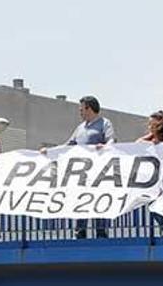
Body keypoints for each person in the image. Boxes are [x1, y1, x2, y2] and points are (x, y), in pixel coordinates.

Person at [42, 96, 115, 239]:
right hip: (82, 172)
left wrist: (105, 146)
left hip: (99, 171)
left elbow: (112, 140)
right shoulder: (80, 128)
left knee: (98, 199)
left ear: (89, 108)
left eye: (82, 109)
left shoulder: (104, 123)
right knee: (82, 199)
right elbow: (68, 145)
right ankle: (80, 231)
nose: (80, 112)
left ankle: (101, 231)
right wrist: (50, 151)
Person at [136, 111, 163, 236]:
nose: (150, 127)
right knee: (153, 205)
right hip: (155, 181)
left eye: (153, 125)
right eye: (150, 125)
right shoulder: (148, 141)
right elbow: (137, 143)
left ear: (160, 126)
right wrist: (150, 138)